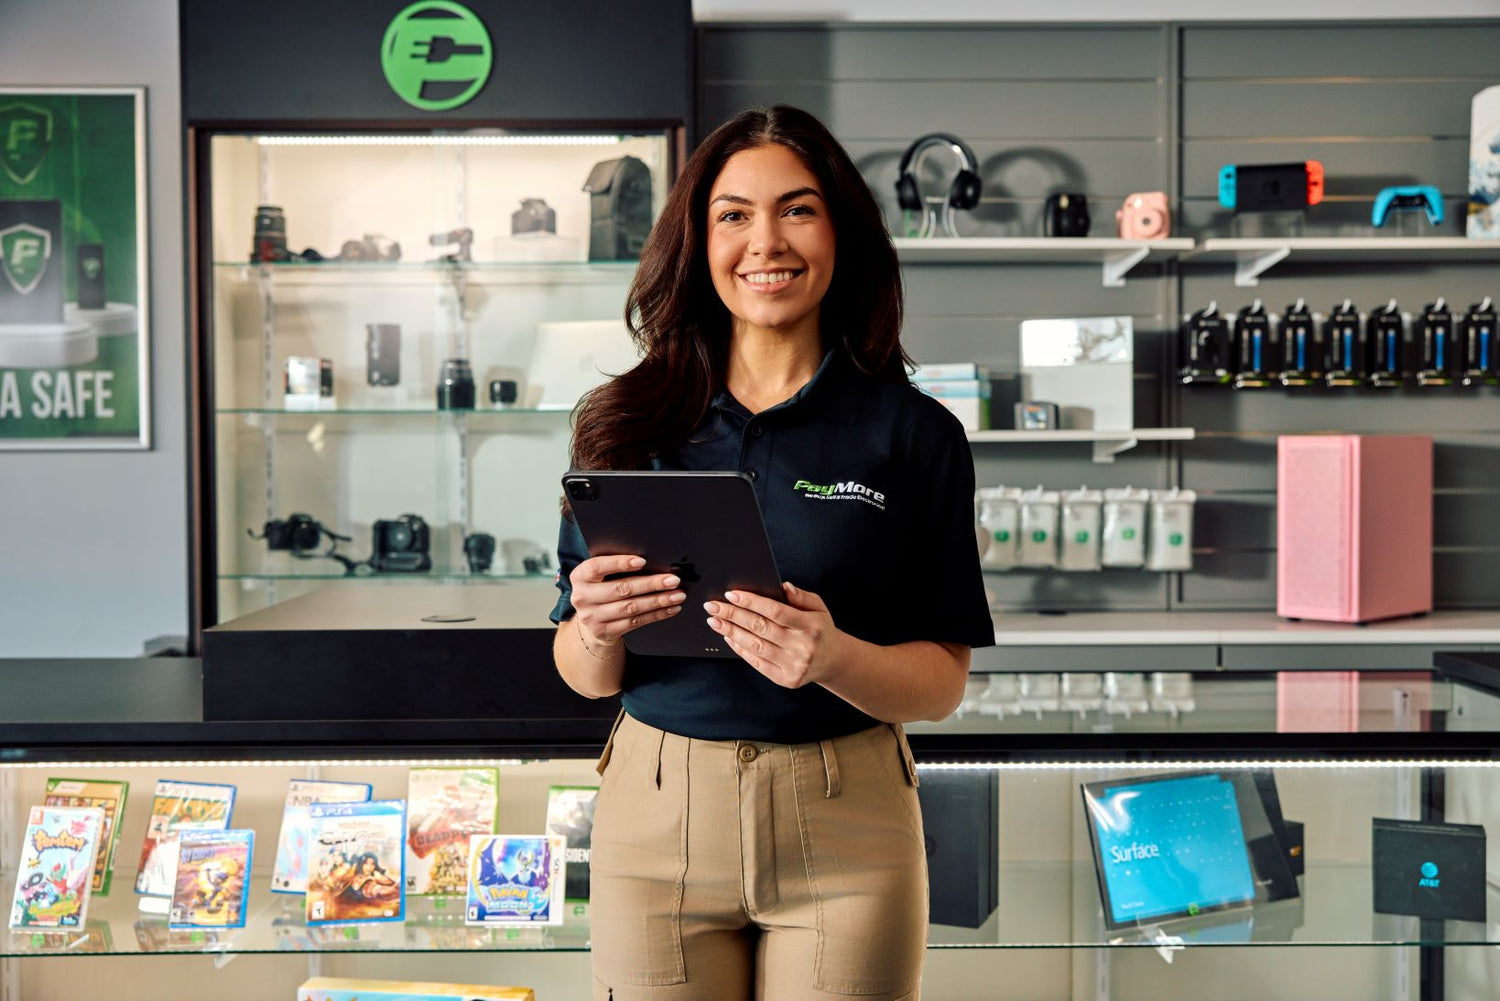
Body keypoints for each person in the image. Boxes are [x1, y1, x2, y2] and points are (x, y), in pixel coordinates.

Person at [549, 105, 993, 1001]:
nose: (766, 242)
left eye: (797, 209)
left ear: (841, 232)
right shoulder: (626, 423)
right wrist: (594, 628)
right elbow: (583, 672)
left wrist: (832, 656)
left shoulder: (915, 434)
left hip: (849, 822)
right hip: (656, 814)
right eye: (734, 215)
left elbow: (942, 682)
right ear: (698, 240)